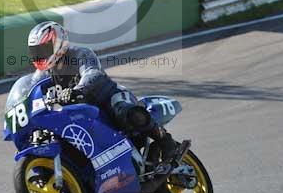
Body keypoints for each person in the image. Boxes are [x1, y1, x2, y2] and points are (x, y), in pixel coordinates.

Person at [27, 20, 179, 165]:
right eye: (36, 51)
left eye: (43, 49)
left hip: (106, 97)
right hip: (80, 113)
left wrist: (76, 91)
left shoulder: (79, 54)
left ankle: (165, 141)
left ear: (57, 42)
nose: (40, 55)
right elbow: (32, 93)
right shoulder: (42, 74)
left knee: (128, 113)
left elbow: (93, 73)